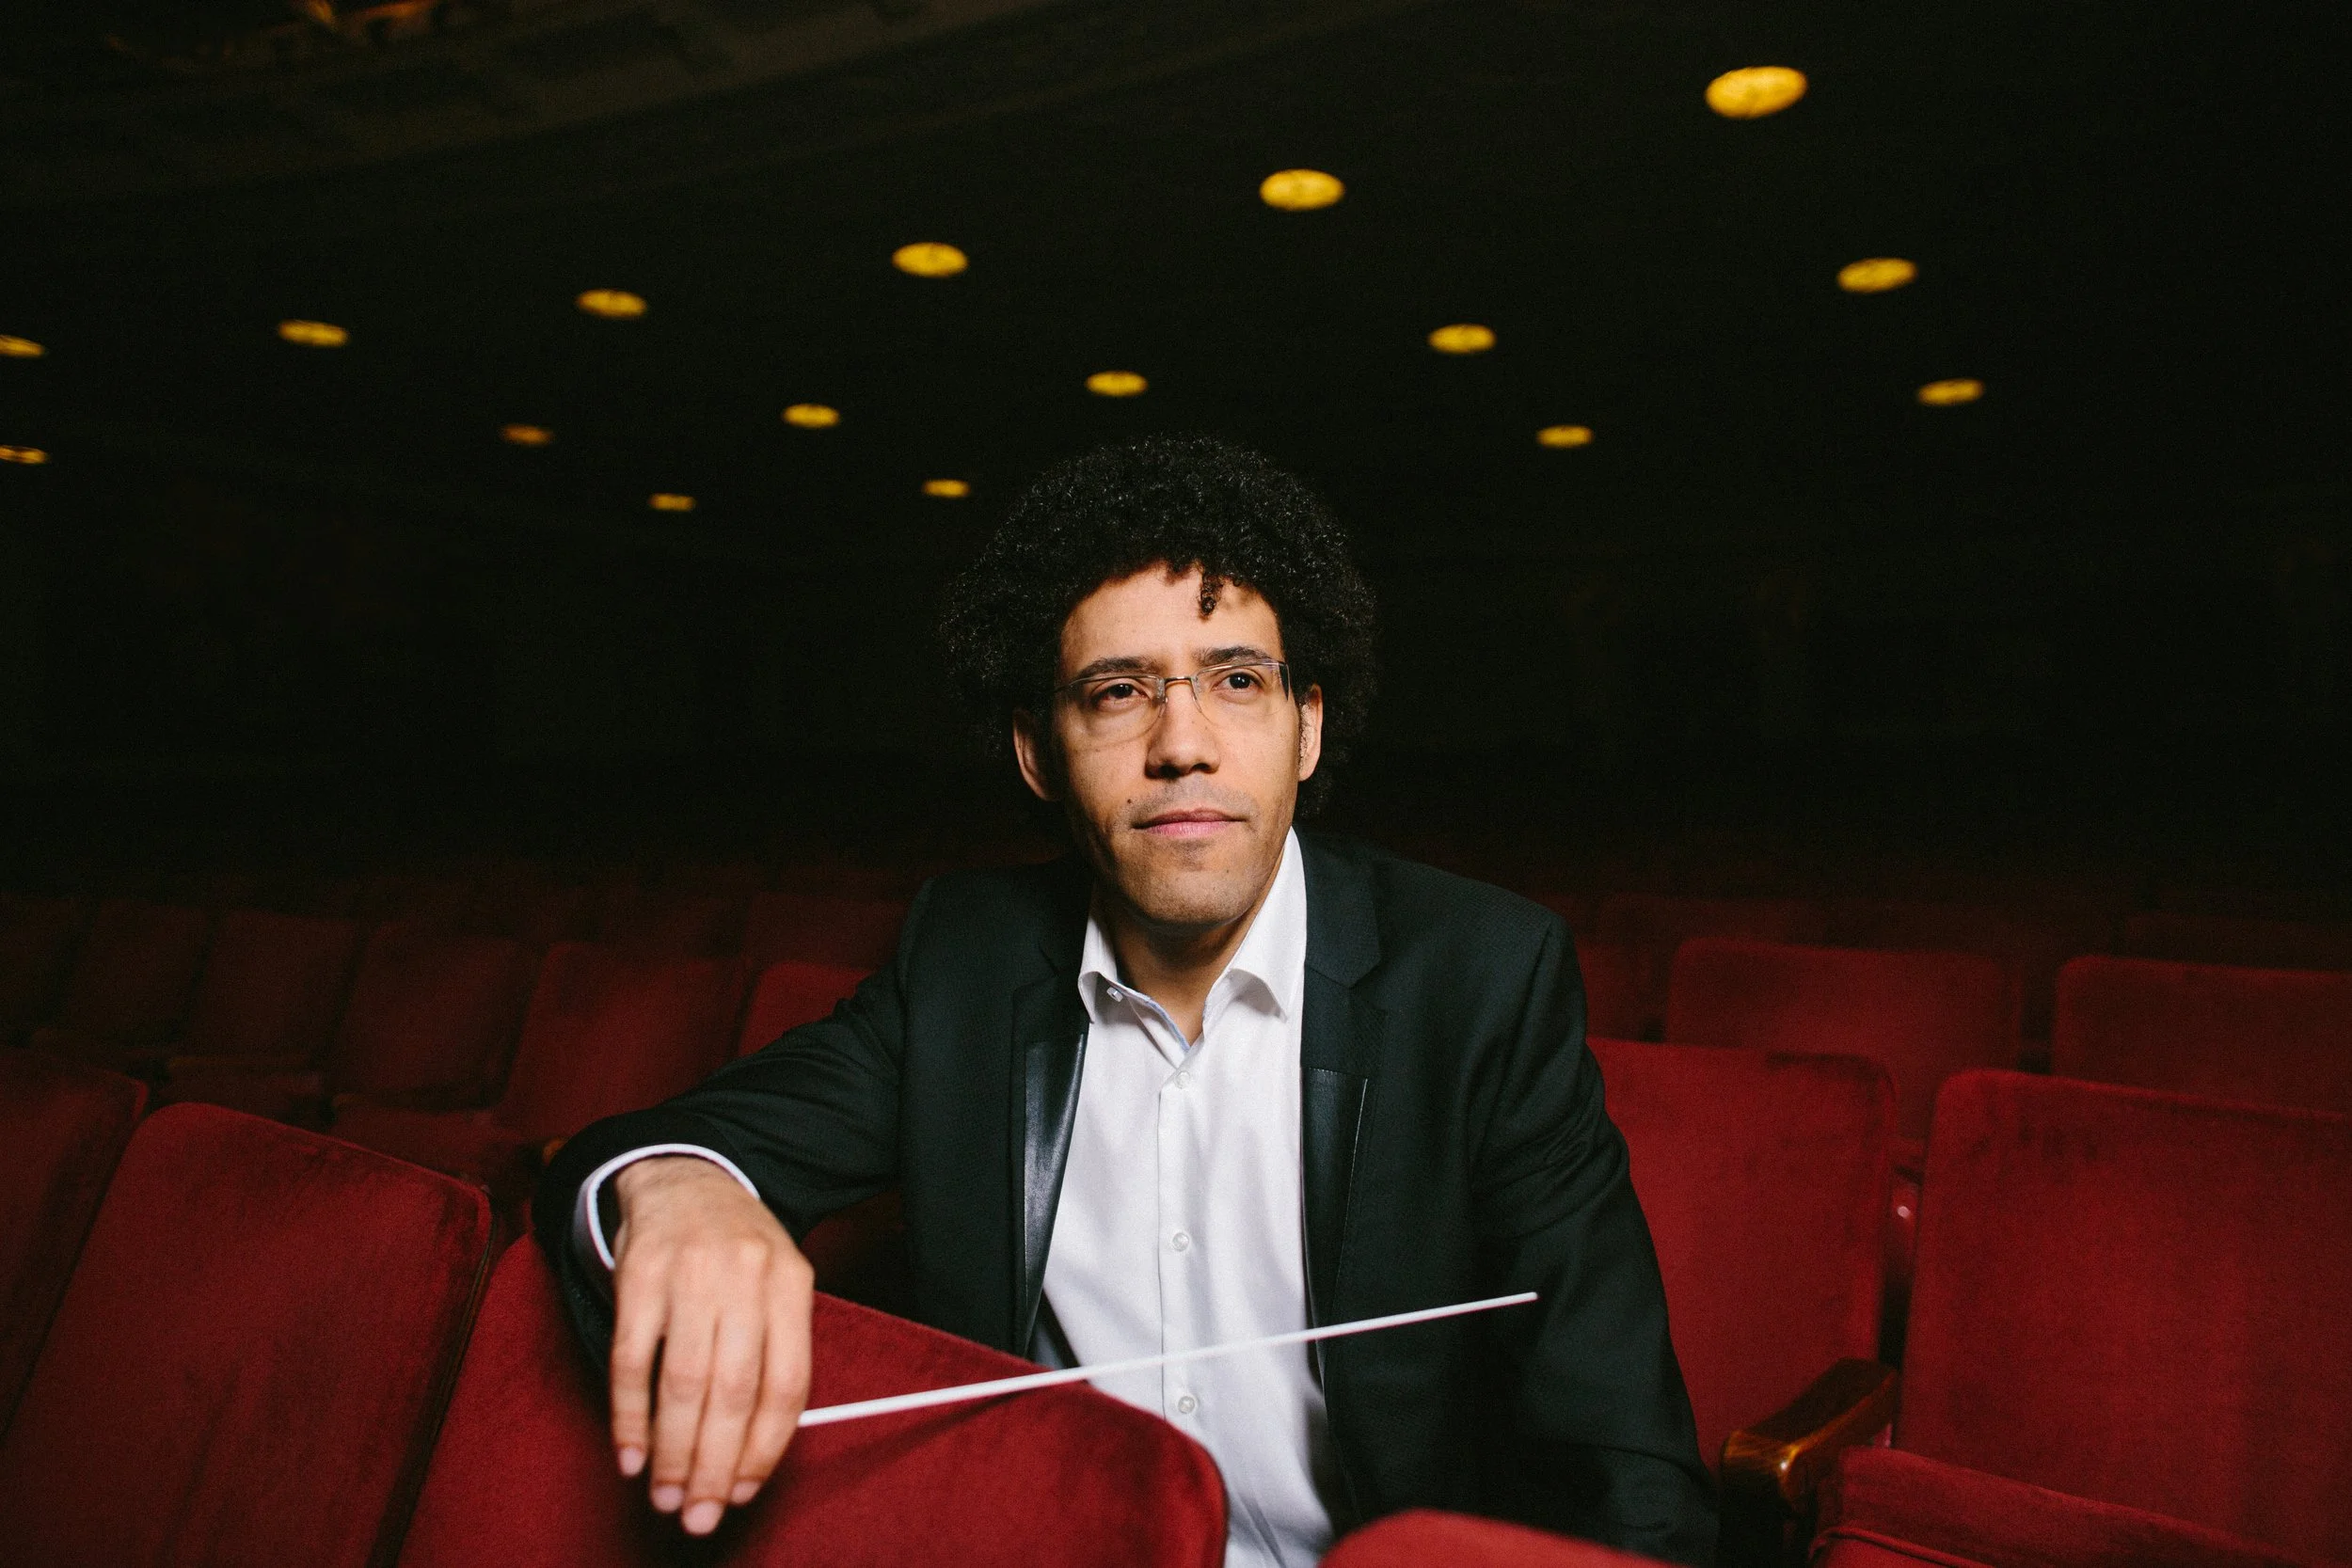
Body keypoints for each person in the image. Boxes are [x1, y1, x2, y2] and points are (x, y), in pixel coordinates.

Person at [533, 435, 1715, 1567]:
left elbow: (1623, 1464)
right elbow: (654, 1146)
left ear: (1306, 727)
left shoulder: (1481, 975)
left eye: (1237, 681)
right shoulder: (966, 956)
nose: (1182, 744)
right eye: (1116, 692)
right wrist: (680, 1185)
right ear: (1037, 751)